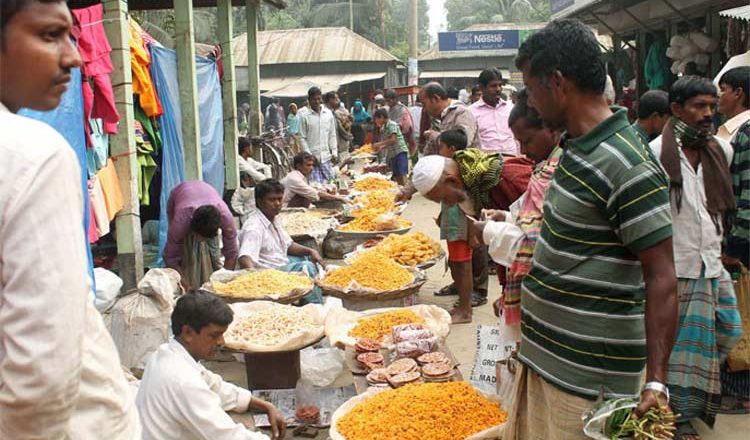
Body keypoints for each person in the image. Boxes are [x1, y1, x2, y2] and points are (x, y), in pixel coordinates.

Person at [505, 19, 678, 439]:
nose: (529, 100)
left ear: (557, 83)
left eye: (530, 88)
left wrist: (655, 381)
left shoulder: (629, 165)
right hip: (545, 361)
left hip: (587, 386)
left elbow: (662, 278)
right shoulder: (575, 147)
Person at [0, 1, 141, 438]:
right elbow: (41, 375)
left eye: (72, 36)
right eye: (48, 35)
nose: (75, 57)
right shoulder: (31, 154)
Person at [650, 76, 742, 438]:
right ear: (675, 109)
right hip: (677, 264)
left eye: (711, 106)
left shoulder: (721, 150)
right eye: (698, 107)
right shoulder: (657, 154)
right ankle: (678, 416)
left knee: (728, 330)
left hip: (710, 262)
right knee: (679, 349)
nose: (708, 114)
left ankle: (685, 402)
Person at [467, 89, 562, 344]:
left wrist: (487, 231)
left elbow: (537, 241)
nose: (523, 150)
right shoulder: (542, 168)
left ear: (551, 129)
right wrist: (507, 217)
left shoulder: (558, 170)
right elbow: (531, 218)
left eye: (528, 140)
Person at [137, 291, 285, 440]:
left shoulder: (167, 353)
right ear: (188, 332)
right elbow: (227, 436)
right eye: (214, 335)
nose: (222, 342)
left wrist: (266, 406)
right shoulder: (183, 380)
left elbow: (215, 386)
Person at [411, 149, 502, 324]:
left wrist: (472, 236)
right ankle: (463, 304)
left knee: (463, 265)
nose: (446, 203)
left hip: (461, 229)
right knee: (457, 264)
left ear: (451, 181)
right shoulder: (461, 185)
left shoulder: (483, 181)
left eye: (444, 199)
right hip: (454, 228)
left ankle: (466, 310)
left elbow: (471, 211)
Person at [717, 66, 750, 415]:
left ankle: (743, 393)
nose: (719, 97)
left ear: (738, 92)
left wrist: (735, 246)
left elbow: (745, 193)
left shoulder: (744, 131)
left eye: (723, 89)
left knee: (741, 315)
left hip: (743, 242)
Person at [238, 180, 324, 304]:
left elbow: (288, 245)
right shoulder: (254, 227)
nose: (277, 204)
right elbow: (245, 257)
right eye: (272, 200)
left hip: (280, 263)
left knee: (307, 257)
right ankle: (315, 306)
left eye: (279, 199)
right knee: (307, 267)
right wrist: (255, 282)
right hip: (268, 273)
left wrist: (311, 251)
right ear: (259, 202)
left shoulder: (273, 219)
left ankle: (312, 291)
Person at [164, 181, 239, 290]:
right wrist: (186, 286)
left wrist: (224, 285)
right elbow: (170, 257)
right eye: (199, 235)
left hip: (207, 193)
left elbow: (232, 253)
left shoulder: (226, 219)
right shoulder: (181, 222)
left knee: (213, 253)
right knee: (185, 253)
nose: (201, 241)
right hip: (179, 195)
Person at [420, 81, 481, 155]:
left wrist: (434, 136)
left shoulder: (462, 113)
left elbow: (462, 143)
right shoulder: (437, 119)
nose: (424, 109)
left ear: (435, 98)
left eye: (424, 104)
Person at [470, 68, 519, 157]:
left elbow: (518, 136)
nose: (498, 89)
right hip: (486, 162)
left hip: (512, 158)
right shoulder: (471, 112)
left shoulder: (510, 108)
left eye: (500, 85)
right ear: (482, 87)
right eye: (493, 86)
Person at [281, 152, 347, 208]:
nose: (312, 168)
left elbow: (314, 190)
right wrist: (339, 198)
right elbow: (315, 193)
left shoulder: (301, 176)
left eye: (312, 165)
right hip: (285, 209)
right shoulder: (294, 179)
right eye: (308, 165)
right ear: (298, 166)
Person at [299, 86, 337, 183]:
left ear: (321, 98)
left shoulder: (328, 114)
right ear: (309, 100)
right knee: (315, 189)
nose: (316, 101)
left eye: (318, 99)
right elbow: (302, 138)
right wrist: (309, 156)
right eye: (314, 99)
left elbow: (332, 135)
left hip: (326, 157)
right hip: (312, 160)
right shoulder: (304, 116)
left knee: (331, 185)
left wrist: (334, 152)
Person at [369, 108, 410, 186]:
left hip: (400, 151)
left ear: (381, 117)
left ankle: (406, 191)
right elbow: (388, 142)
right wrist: (381, 147)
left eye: (376, 119)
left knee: (402, 173)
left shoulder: (392, 124)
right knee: (397, 175)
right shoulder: (383, 128)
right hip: (392, 154)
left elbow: (393, 139)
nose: (376, 121)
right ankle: (401, 191)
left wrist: (379, 144)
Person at [717, 66, 750, 144]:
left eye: (722, 89)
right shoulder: (733, 128)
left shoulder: (747, 131)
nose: (718, 95)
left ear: (737, 93)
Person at [385, 88, 417, 160]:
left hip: (402, 140)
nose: (388, 103)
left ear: (394, 99)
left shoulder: (401, 109)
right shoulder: (390, 109)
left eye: (389, 100)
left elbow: (405, 126)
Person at [325, 91, 353, 162]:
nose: (338, 101)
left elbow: (341, 127)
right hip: (332, 148)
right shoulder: (326, 113)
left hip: (340, 146)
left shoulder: (334, 112)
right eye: (336, 99)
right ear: (330, 100)